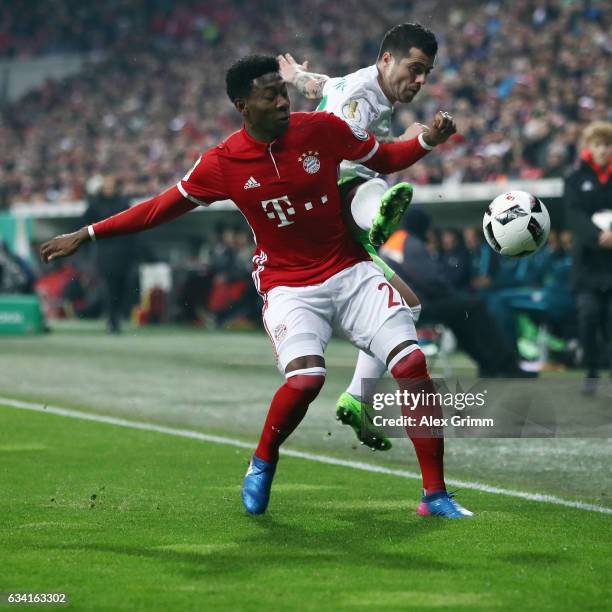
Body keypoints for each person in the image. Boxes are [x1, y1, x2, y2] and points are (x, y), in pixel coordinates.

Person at [40, 55, 471, 518]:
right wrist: (86, 234)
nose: (283, 103)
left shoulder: (320, 129)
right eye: (270, 96)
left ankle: (434, 495)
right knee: (307, 379)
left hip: (349, 269)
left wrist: (428, 139)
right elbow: (157, 208)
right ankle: (263, 458)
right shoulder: (222, 163)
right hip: (288, 286)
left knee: (412, 363)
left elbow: (386, 156)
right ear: (243, 105)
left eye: (283, 93)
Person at [279, 23, 443, 450]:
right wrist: (418, 140)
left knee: (408, 304)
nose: (421, 80)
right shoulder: (363, 97)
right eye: (415, 68)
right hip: (328, 199)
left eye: (427, 72)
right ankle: (376, 217)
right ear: (386, 59)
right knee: (362, 180)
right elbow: (342, 149)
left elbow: (319, 86)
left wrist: (295, 76)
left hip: (319, 202)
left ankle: (358, 397)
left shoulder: (354, 81)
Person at [380, 209, 536, 378]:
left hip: (397, 306)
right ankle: (504, 364)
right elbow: (431, 282)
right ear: (421, 226)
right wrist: (453, 295)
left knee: (460, 314)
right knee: (474, 306)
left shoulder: (394, 241)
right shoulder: (411, 243)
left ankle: (489, 363)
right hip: (416, 306)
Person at [564, 121, 612, 395]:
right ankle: (592, 371)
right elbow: (574, 215)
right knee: (589, 317)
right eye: (599, 144)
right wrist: (598, 236)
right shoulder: (574, 178)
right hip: (588, 266)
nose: (604, 150)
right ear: (589, 147)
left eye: (607, 144)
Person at [82, 174, 138, 333]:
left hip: (123, 252)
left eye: (110, 186)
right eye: (106, 186)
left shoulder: (123, 203)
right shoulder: (95, 204)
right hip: (105, 253)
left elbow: (134, 224)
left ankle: (115, 317)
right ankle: (112, 320)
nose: (108, 189)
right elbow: (84, 223)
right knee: (110, 288)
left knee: (122, 288)